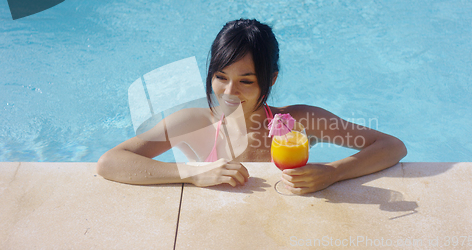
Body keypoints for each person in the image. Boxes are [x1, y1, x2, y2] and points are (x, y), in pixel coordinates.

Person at [97, 19, 407, 195]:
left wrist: (333, 171)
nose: (229, 92)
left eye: (246, 81)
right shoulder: (193, 124)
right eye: (220, 77)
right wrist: (192, 173)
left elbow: (392, 146)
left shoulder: (297, 121)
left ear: (269, 79)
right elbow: (111, 161)